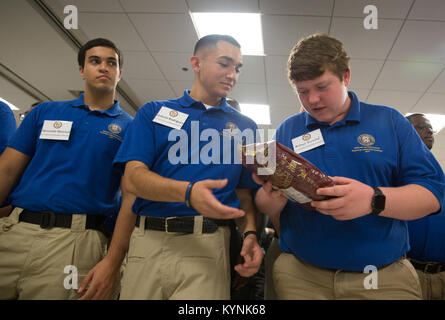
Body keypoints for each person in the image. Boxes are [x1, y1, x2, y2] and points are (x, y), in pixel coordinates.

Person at [254, 33, 445, 300]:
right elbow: (275, 204)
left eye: (322, 87)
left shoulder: (390, 122)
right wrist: (269, 202)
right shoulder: (288, 129)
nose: (312, 101)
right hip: (300, 276)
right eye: (303, 91)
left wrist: (373, 200)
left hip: (382, 279)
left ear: (346, 76)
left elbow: (433, 195)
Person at [80, 34, 264, 300]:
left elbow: (244, 194)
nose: (232, 74)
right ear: (196, 63)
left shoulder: (246, 127)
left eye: (237, 68)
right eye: (224, 64)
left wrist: (250, 235)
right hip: (148, 241)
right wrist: (188, 192)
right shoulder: (153, 112)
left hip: (208, 246)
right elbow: (133, 179)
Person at [0, 38, 133, 299]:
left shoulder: (131, 128)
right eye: (95, 61)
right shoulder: (45, 112)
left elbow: (131, 196)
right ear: (82, 70)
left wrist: (114, 261)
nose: (103, 67)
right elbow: (6, 171)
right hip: (14, 232)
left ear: (120, 73)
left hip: (75, 242)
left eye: (111, 63)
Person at [406, 113, 445, 300]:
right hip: (410, 273)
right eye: (421, 126)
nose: (429, 130)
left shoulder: (438, 175)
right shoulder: (393, 172)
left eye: (431, 128)